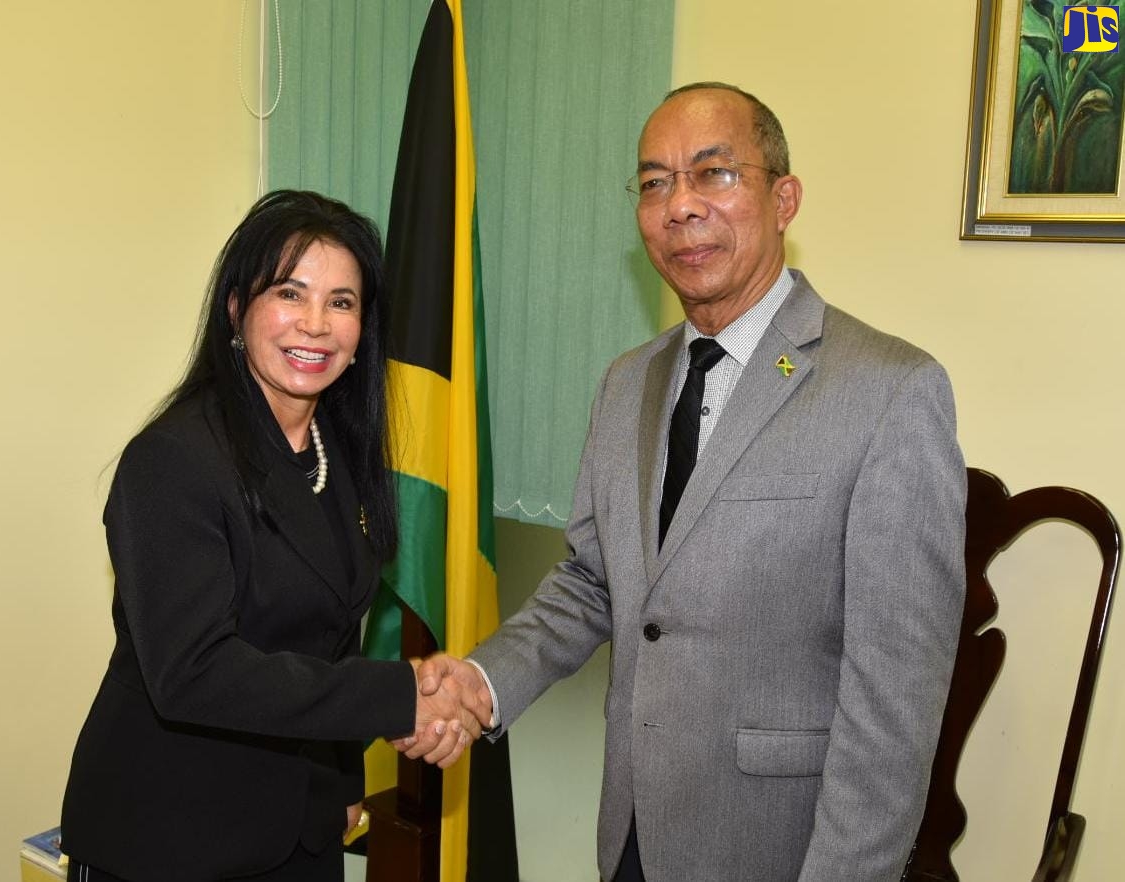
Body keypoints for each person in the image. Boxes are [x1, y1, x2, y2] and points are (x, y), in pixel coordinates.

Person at [409, 83, 967, 881]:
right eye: (654, 183)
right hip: (631, 831)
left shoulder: (888, 391)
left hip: (778, 848)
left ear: (784, 198)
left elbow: (895, 703)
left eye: (714, 174)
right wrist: (480, 682)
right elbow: (593, 584)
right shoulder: (626, 382)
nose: (680, 207)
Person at [61, 190, 481, 882]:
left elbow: (331, 635)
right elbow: (195, 672)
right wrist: (400, 694)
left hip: (302, 828)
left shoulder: (340, 453)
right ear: (237, 309)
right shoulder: (172, 461)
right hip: (170, 837)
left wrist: (345, 782)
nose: (316, 325)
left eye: (342, 302)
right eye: (292, 293)